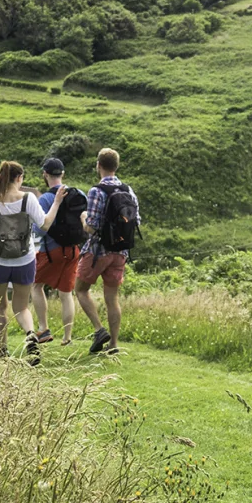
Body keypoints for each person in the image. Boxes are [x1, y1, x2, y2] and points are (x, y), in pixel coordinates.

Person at [0, 160, 70, 358]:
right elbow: (45, 225)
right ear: (19, 178)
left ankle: (2, 350)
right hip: (24, 260)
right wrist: (56, 203)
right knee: (21, 307)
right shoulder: (28, 199)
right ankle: (30, 335)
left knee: (0, 307)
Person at [75, 148, 140, 355]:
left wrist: (84, 217)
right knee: (112, 298)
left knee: (81, 289)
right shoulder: (129, 191)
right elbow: (136, 221)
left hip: (97, 251)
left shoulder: (97, 191)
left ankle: (98, 329)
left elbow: (91, 227)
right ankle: (113, 344)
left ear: (98, 165)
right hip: (120, 251)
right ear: (116, 166)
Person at [27, 156, 84, 353]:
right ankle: (67, 337)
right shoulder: (78, 193)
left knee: (36, 285)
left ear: (45, 174)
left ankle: (44, 329)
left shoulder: (45, 199)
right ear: (63, 174)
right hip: (74, 250)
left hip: (51, 251)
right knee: (66, 293)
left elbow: (40, 230)